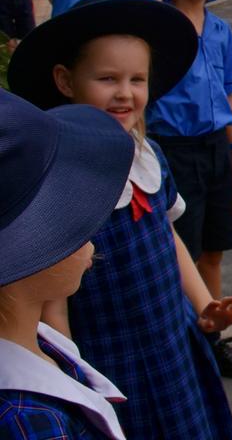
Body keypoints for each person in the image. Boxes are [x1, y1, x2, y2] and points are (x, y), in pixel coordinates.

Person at [8, 0, 232, 439]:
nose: (126, 93)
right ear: (65, 81)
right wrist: (69, 368)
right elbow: (50, 294)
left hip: (172, 338)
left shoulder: (150, 154)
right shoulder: (62, 173)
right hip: (110, 352)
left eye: (137, 79)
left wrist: (204, 306)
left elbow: (166, 234)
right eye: (107, 78)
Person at [130, 0, 232, 380]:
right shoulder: (154, 28)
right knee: (176, 251)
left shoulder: (222, 29)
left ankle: (210, 339)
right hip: (170, 150)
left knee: (213, 248)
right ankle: (178, 345)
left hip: (214, 149)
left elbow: (228, 96)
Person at [0, 90, 135, 440]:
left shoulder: (38, 341)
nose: (92, 235)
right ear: (24, 250)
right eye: (70, 216)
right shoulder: (26, 420)